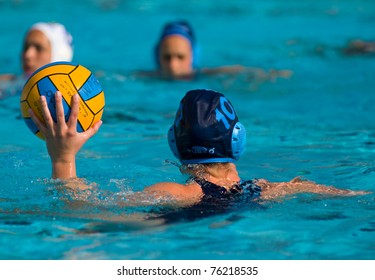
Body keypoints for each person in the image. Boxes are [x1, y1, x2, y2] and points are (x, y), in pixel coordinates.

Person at [29, 89, 367, 210]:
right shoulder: (265, 190)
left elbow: (77, 209)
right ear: (238, 139)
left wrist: (63, 158)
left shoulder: (176, 194)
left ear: (175, 144)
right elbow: (350, 194)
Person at [136, 20, 293, 82]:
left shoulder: (203, 74)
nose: (173, 65)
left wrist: (269, 74)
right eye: (167, 57)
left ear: (193, 56)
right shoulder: (146, 77)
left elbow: (237, 70)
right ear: (157, 56)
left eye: (180, 57)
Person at [0, 22, 73, 98]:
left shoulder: (68, 95)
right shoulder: (11, 82)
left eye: (39, 48)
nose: (27, 55)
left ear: (58, 56)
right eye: (26, 46)